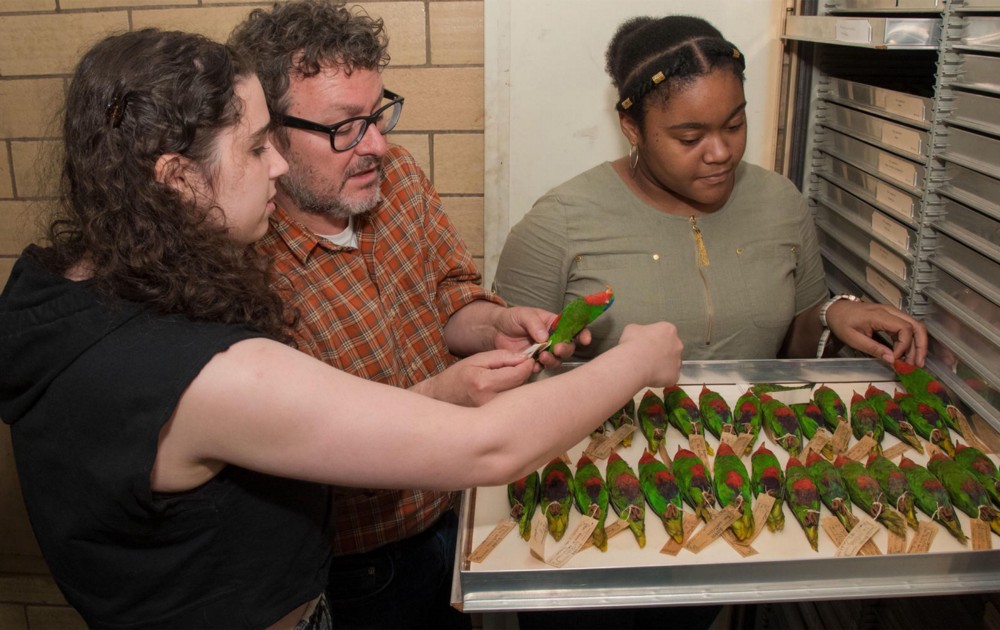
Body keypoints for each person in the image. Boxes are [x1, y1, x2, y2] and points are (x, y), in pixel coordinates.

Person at [0, 28, 684, 629]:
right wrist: (636, 360)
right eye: (257, 145)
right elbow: (487, 448)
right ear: (178, 178)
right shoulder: (199, 370)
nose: (272, 164)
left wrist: (472, 353)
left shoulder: (66, 283)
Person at [228, 2, 578, 627]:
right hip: (358, 570)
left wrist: (495, 325)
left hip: (453, 511)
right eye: (344, 127)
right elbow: (308, 457)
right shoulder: (242, 267)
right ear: (270, 134)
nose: (377, 145)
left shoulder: (401, 178)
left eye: (378, 113)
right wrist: (446, 397)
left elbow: (449, 297)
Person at [494, 14, 928, 369]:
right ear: (633, 129)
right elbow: (509, 371)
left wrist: (835, 316)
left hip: (746, 456)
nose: (721, 152)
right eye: (689, 138)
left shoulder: (780, 202)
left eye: (735, 125)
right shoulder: (558, 224)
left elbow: (792, 346)